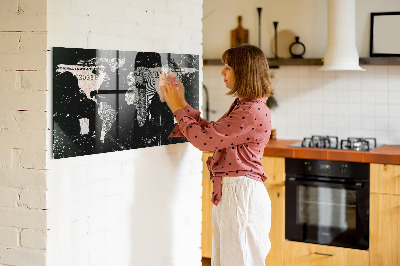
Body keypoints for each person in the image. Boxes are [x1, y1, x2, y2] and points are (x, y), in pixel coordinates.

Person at [161, 44, 273, 266]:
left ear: (244, 72)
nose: (222, 72)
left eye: (228, 67)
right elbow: (212, 133)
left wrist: (176, 108)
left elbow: (204, 141)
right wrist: (182, 103)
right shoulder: (246, 106)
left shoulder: (250, 111)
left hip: (241, 195)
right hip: (236, 193)